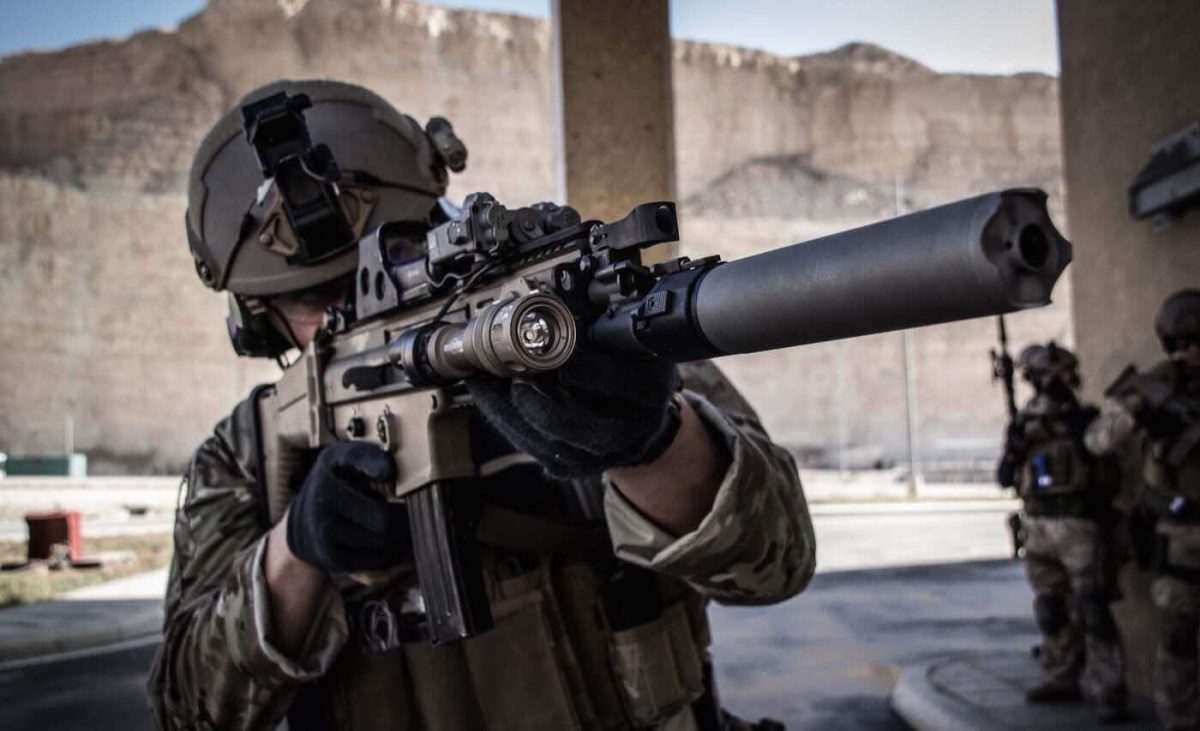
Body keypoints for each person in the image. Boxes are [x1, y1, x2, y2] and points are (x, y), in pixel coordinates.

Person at [146, 78, 816, 731]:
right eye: (316, 299)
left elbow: (778, 565)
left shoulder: (592, 340)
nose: (353, 312)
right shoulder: (244, 457)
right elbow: (187, 709)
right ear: (258, 322)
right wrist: (296, 553)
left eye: (393, 263)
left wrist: (655, 446)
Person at [1086, 289, 1200, 731]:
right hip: (1179, 536)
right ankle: (1180, 720)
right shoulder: (1156, 386)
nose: (1193, 353)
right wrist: (1141, 417)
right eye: (1187, 344)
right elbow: (1097, 440)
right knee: (1178, 636)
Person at [997, 342, 1127, 722]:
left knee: (1092, 607)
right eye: (1044, 374)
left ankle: (1109, 688)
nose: (1052, 380)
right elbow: (1005, 478)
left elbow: (1103, 462)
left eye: (1059, 372)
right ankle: (1061, 676)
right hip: (1036, 526)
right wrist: (1015, 450)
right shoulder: (1023, 423)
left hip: (1079, 526)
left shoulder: (1084, 418)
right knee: (1050, 608)